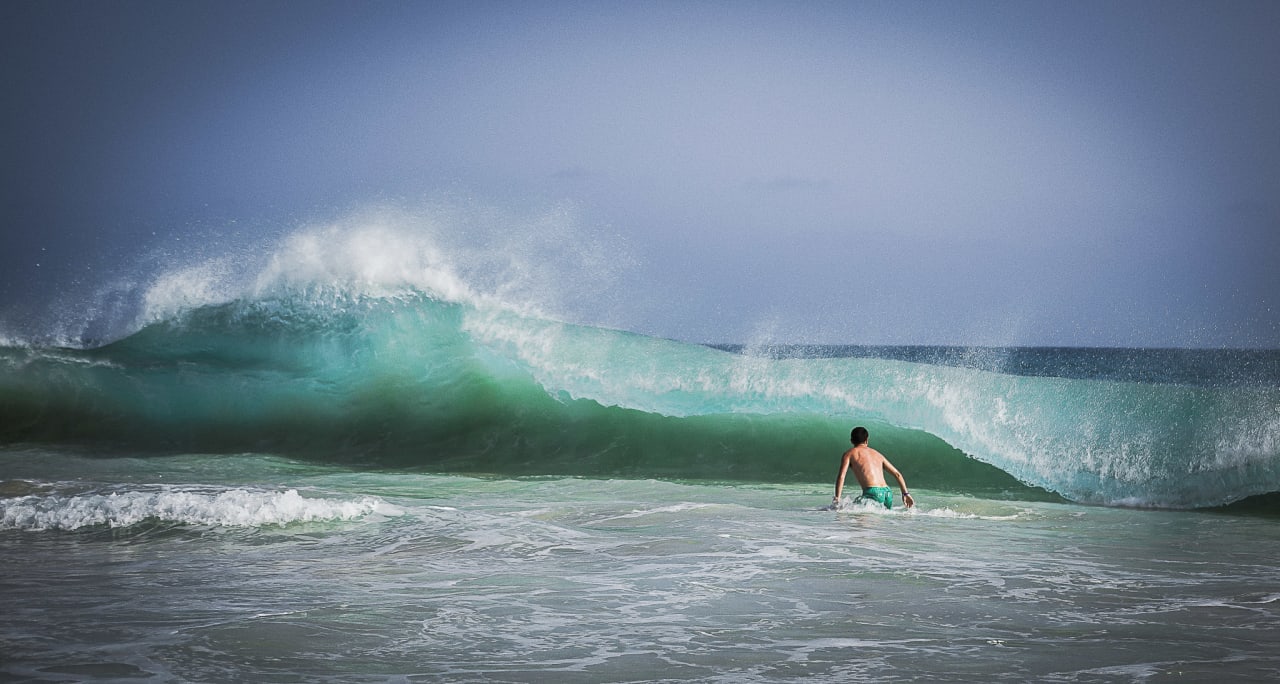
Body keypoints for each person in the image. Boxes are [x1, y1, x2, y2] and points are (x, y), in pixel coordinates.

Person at [833, 426, 915, 509]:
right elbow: (897, 474)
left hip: (873, 492)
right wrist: (905, 494)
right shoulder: (877, 454)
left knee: (848, 510)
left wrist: (837, 498)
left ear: (851, 440)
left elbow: (842, 476)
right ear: (867, 440)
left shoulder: (849, 454)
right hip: (887, 492)